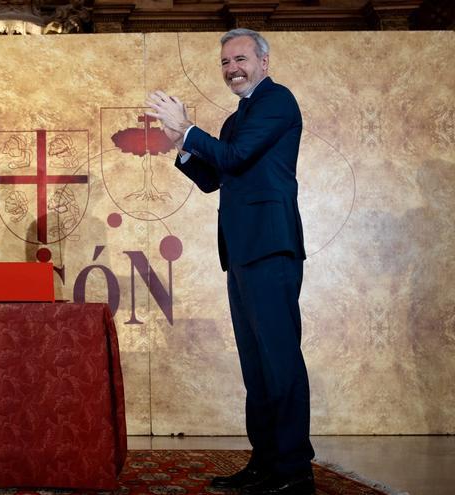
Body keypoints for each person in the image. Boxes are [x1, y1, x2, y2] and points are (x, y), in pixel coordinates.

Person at [146, 29, 314, 495]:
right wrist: (181, 147)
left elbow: (237, 159)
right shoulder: (237, 118)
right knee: (256, 365)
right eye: (224, 63)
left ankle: (295, 469)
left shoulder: (278, 101)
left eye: (239, 59)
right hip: (240, 252)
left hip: (271, 248)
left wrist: (189, 129)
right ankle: (266, 463)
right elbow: (214, 178)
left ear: (263, 60)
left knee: (279, 361)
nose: (232, 69)